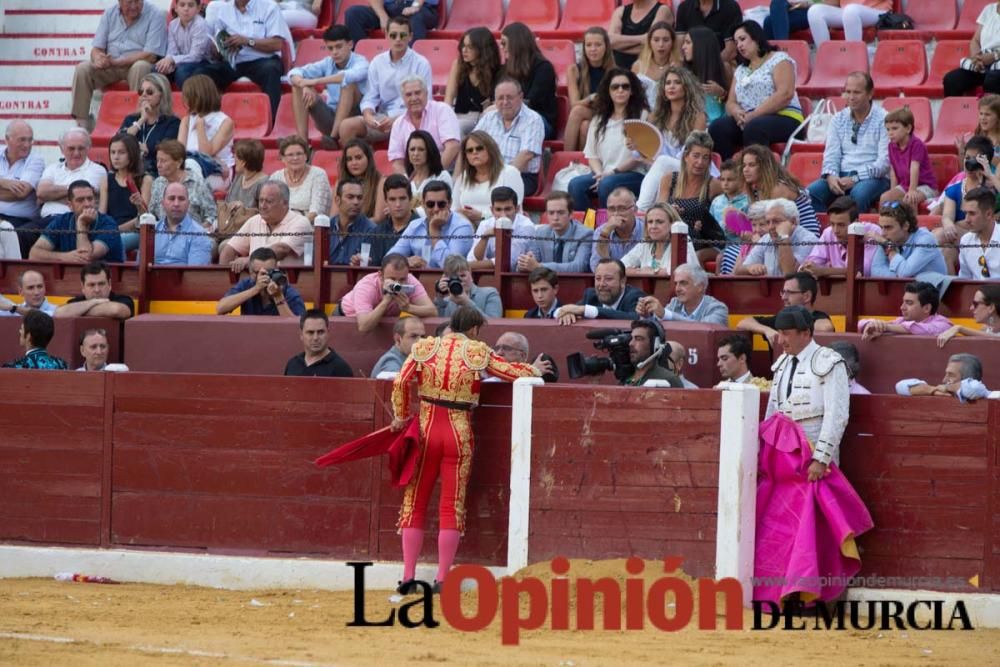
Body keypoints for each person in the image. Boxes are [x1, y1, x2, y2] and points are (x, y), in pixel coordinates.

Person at [389, 306, 540, 594]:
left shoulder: (425, 347)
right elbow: (512, 372)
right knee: (451, 505)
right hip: (458, 432)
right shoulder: (476, 353)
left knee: (415, 502)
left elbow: (400, 381)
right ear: (473, 330)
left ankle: (408, 578)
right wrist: (533, 369)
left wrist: (400, 415)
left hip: (426, 428)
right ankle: (442, 579)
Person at [766, 305, 850, 472]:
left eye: (786, 333)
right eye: (779, 332)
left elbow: (837, 415)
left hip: (813, 451)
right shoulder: (783, 362)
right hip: (783, 453)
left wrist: (821, 458)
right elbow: (772, 412)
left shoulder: (829, 361)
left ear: (805, 333)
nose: (780, 340)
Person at [708, 21, 803, 160]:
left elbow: (785, 94)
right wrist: (737, 113)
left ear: (756, 37)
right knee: (718, 127)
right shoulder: (741, 70)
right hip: (749, 120)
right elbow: (730, 103)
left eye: (742, 39)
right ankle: (728, 174)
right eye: (736, 42)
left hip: (785, 117)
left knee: (755, 127)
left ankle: (760, 177)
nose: (739, 45)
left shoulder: (779, 59)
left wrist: (754, 115)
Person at [72, 0, 167, 130]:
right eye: (129, 2)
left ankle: (137, 119)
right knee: (82, 69)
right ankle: (81, 125)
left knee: (142, 66)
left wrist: (117, 62)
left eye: (137, 2)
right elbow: (96, 48)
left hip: (135, 64)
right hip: (110, 65)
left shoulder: (155, 14)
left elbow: (151, 54)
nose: (133, 6)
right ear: (120, 2)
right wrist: (98, 58)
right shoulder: (109, 13)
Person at [340, 17, 432, 145]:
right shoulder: (377, 62)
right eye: (393, 35)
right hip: (382, 118)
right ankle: (365, 163)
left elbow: (426, 103)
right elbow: (370, 97)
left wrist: (396, 119)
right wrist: (368, 116)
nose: (398, 39)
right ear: (386, 36)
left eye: (403, 35)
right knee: (346, 126)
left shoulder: (421, 63)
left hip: (411, 118)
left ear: (410, 36)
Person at [197, 0, 293, 121]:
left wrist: (247, 41)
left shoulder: (269, 7)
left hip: (262, 60)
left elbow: (277, 44)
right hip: (234, 61)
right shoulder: (223, 11)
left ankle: (273, 122)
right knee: (201, 75)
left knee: (271, 69)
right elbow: (218, 42)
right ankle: (207, 122)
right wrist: (218, 49)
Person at [807, 72, 889, 214]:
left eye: (857, 92)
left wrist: (855, 178)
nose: (851, 97)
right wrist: (831, 176)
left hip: (874, 177)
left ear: (870, 94)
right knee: (810, 194)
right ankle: (825, 233)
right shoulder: (838, 119)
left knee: (859, 195)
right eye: (848, 92)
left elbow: (884, 163)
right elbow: (831, 154)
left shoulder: (884, 118)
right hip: (841, 175)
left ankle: (853, 235)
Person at [568, 68, 648, 212]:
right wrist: (600, 174)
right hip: (604, 174)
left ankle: (606, 227)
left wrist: (611, 173)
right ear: (608, 91)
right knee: (575, 185)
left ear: (632, 91)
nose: (620, 90)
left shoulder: (642, 115)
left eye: (625, 86)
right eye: (615, 87)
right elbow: (592, 155)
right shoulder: (599, 118)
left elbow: (639, 157)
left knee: (607, 184)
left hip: (635, 174)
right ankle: (588, 226)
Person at [636, 66, 710, 212]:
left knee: (663, 161)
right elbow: (647, 148)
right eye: (668, 83)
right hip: (661, 169)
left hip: (692, 166)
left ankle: (641, 210)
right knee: (661, 165)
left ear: (686, 87)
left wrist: (656, 161)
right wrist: (636, 145)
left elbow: (693, 152)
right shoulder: (655, 116)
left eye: (677, 82)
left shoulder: (698, 116)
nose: (671, 86)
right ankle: (651, 214)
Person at [288, 25, 368, 151]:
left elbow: (348, 76)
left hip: (354, 119)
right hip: (330, 117)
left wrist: (314, 81)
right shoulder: (327, 62)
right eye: (330, 48)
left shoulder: (361, 61)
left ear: (350, 45)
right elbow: (294, 72)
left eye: (339, 46)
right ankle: (302, 145)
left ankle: (334, 137)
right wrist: (304, 84)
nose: (335, 52)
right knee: (297, 87)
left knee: (348, 83)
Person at [653, 131, 725, 264]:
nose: (700, 162)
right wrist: (670, 211)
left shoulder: (713, 184)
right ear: (686, 156)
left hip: (700, 241)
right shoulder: (669, 179)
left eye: (705, 158)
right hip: (670, 238)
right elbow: (658, 212)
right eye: (696, 156)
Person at [933, 137, 999, 272]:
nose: (970, 163)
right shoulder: (954, 189)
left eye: (975, 159)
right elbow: (947, 216)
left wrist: (989, 175)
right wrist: (950, 225)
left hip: (989, 239)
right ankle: (950, 291)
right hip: (959, 238)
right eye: (967, 157)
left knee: (938, 235)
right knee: (946, 251)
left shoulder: (993, 188)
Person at [473, 78, 545, 196]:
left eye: (509, 97)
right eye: (500, 98)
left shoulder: (533, 119)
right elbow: (471, 144)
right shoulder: (488, 118)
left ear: (521, 97)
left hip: (521, 176)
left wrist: (499, 179)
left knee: (494, 193)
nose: (505, 102)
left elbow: (526, 155)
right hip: (487, 173)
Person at [220, 181, 312, 272]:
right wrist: (225, 280)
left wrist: (249, 260)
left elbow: (281, 249)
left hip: (287, 282)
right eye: (261, 200)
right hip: (254, 283)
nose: (263, 206)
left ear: (285, 203)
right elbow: (228, 250)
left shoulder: (300, 222)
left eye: (269, 201)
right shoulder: (255, 220)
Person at [337, 252, 436, 333]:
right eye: (392, 279)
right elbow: (364, 326)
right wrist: (386, 301)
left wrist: (408, 308)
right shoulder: (367, 286)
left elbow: (432, 311)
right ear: (380, 275)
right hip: (345, 316)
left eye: (402, 280)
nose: (397, 284)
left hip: (378, 321)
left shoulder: (410, 280)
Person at [30, 180, 125, 264]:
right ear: (70, 205)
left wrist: (82, 225)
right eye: (80, 200)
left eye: (90, 199)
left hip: (107, 279)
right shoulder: (61, 221)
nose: (87, 204)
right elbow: (34, 254)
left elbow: (85, 257)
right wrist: (64, 257)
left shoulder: (108, 223)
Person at [386, 180, 474, 269]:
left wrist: (434, 232)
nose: (436, 209)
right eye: (430, 204)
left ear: (450, 203)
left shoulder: (462, 227)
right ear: (423, 204)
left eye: (441, 204)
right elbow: (388, 259)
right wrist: (405, 261)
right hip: (418, 280)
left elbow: (452, 267)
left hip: (449, 280)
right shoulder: (415, 225)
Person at [737, 271, 835, 346]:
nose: (784, 297)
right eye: (783, 292)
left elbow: (825, 328)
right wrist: (767, 330)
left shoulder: (818, 316)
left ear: (807, 297)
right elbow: (743, 323)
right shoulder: (780, 318)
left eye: (789, 293)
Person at [739, 145, 820, 235]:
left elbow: (776, 223)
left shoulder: (778, 188)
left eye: (751, 165)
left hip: (803, 235)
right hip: (776, 234)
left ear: (764, 167)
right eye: (744, 165)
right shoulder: (756, 189)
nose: (745, 170)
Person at [387, 76, 460, 173]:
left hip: (446, 172)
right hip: (413, 178)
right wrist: (407, 183)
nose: (414, 98)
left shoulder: (442, 110)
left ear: (426, 93)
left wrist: (432, 176)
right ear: (403, 99)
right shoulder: (398, 124)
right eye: (408, 95)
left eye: (418, 93)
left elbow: (453, 147)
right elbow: (397, 162)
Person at [451, 132, 524, 226]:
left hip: (501, 228)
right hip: (467, 228)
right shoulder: (463, 177)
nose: (474, 152)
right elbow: (453, 209)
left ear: (490, 150)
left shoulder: (510, 173)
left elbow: (514, 212)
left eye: (479, 148)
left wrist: (482, 216)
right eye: (469, 150)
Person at [499, 23, 558, 139]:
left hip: (539, 120)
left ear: (516, 43)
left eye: (504, 43)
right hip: (510, 116)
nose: (501, 47)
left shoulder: (543, 68)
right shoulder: (507, 68)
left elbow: (530, 102)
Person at [799, 195, 881, 278]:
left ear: (855, 223)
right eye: (832, 224)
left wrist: (824, 271)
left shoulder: (872, 231)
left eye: (841, 225)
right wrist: (808, 268)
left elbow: (863, 270)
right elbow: (813, 261)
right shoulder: (828, 232)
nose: (835, 230)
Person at [178, 75, 235, 191]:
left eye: (187, 96)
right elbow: (179, 153)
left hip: (217, 173)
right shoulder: (186, 120)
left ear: (197, 97)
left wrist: (200, 127)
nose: (184, 100)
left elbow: (206, 154)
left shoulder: (225, 122)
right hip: (189, 169)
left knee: (189, 179)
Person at [36, 129, 106, 223]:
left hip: (74, 222)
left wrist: (50, 196)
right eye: (71, 148)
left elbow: (84, 198)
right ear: (62, 149)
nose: (76, 153)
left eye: (81, 148)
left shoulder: (97, 170)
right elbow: (41, 192)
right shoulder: (52, 168)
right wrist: (74, 193)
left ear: (88, 148)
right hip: (45, 219)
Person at [119, 72, 181, 177]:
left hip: (157, 173)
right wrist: (142, 119)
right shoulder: (131, 119)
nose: (144, 95)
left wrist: (147, 150)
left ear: (162, 94)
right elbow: (119, 141)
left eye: (150, 92)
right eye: (141, 91)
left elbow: (168, 151)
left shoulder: (172, 122)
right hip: (129, 171)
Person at [736, 198, 817, 277]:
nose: (770, 227)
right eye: (768, 222)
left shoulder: (808, 240)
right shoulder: (766, 238)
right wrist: (750, 268)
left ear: (793, 222)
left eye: (776, 221)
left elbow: (789, 274)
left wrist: (783, 237)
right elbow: (738, 271)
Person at [516, 191, 593, 274]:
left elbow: (578, 267)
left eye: (560, 213)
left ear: (571, 214)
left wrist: (539, 267)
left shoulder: (585, 234)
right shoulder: (540, 233)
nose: (555, 218)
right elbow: (530, 263)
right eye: (551, 213)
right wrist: (523, 265)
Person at [99, 133, 151, 254]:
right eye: (112, 152)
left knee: (112, 243)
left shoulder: (145, 179)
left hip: (136, 232)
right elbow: (102, 214)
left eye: (121, 152)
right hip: (111, 230)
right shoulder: (106, 179)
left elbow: (144, 217)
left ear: (132, 154)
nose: (116, 157)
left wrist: (116, 230)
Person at [445, 27, 502, 137]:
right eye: (463, 46)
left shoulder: (497, 70)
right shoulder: (458, 65)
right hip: (461, 115)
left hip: (486, 116)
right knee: (455, 127)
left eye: (470, 47)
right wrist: (446, 118)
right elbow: (449, 96)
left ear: (482, 49)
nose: (464, 51)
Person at [148, 139, 217, 230]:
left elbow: (212, 216)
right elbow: (151, 216)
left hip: (192, 237)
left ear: (179, 162)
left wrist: (197, 232)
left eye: (163, 161)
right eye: (158, 160)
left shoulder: (198, 183)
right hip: (164, 237)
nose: (158, 165)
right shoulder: (157, 183)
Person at [565, 27, 615, 152]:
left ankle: (567, 158)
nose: (593, 49)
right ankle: (578, 162)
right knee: (584, 126)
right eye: (589, 45)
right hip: (587, 115)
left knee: (578, 112)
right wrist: (591, 98)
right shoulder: (574, 70)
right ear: (584, 48)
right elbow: (574, 103)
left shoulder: (615, 71)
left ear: (606, 47)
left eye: (598, 45)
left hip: (608, 115)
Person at [217, 247, 305, 317]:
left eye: (268, 272)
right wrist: (255, 289)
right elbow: (221, 308)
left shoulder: (287, 290)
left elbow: (296, 327)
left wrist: (278, 297)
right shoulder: (246, 284)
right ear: (250, 272)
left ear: (276, 270)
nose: (263, 276)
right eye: (257, 272)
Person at [879, 106, 937, 212]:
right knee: (885, 198)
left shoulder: (917, 144)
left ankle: (912, 228)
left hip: (925, 186)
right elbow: (893, 172)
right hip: (904, 185)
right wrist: (893, 191)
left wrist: (912, 190)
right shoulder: (891, 146)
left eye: (895, 128)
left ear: (908, 128)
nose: (890, 133)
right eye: (888, 129)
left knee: (910, 199)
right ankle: (886, 225)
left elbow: (914, 168)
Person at [556, 258, 646, 324]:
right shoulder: (591, 295)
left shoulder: (634, 296)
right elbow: (559, 311)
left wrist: (587, 310)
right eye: (598, 279)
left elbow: (634, 318)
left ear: (622, 281)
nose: (602, 284)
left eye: (608, 279)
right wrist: (566, 314)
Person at [870, 201, 948, 277]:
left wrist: (890, 249)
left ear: (905, 226)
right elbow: (876, 270)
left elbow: (904, 272)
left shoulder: (926, 239)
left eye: (888, 227)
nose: (883, 233)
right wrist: (897, 276)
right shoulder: (887, 239)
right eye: (881, 227)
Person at [466, 186, 535, 271]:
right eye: (498, 209)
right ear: (492, 210)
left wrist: (466, 266)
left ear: (517, 209)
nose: (503, 215)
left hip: (518, 278)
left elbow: (508, 263)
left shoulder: (526, 226)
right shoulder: (485, 224)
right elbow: (473, 259)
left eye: (508, 209)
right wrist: (484, 238)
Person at [637, 262, 730, 325]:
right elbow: (656, 330)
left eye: (683, 283)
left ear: (700, 287)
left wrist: (666, 315)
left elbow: (703, 329)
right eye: (676, 283)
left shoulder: (717, 309)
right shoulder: (674, 303)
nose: (677, 289)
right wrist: (646, 316)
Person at [620, 203, 698, 275]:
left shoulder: (682, 239)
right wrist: (638, 272)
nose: (653, 226)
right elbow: (620, 266)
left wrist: (653, 271)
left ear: (672, 224)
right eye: (650, 222)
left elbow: (681, 271)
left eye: (659, 222)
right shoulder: (645, 243)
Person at [858, 281, 954, 340]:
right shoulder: (901, 321)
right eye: (903, 302)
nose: (902, 307)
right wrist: (873, 325)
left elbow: (921, 329)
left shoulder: (944, 325)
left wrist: (886, 327)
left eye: (909, 303)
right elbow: (861, 323)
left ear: (927, 308)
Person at [0, 121, 45, 246]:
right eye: (22, 140)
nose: (27, 145)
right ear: (7, 139)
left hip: (19, 219)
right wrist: (3, 182)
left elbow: (21, 193)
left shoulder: (35, 160)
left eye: (30, 140)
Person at [268, 135, 331, 224]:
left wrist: (293, 227)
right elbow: (270, 208)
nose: (295, 158)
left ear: (306, 156)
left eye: (299, 154)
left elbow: (316, 212)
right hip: (280, 226)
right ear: (283, 158)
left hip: (308, 228)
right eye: (290, 155)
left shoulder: (318, 175)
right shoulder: (276, 177)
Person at [943, 1, 1000, 97]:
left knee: (992, 80)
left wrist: (994, 56)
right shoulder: (989, 9)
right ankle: (956, 112)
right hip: (983, 63)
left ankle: (989, 112)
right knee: (951, 80)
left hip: (997, 63)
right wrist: (976, 58)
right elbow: (975, 40)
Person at [156, 0, 213, 88]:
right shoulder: (173, 25)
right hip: (181, 61)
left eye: (190, 5)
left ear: (198, 8)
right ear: (176, 8)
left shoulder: (201, 25)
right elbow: (172, 51)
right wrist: (167, 61)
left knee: (182, 72)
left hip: (203, 62)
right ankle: (164, 99)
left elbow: (196, 56)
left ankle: (187, 99)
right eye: (182, 5)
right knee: (157, 69)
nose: (186, 9)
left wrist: (172, 60)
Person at [154, 181, 214, 265]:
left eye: (181, 199)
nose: (176, 204)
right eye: (171, 198)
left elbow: (195, 275)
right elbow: (139, 268)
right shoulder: (151, 231)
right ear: (163, 203)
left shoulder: (199, 235)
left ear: (188, 204)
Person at [680, 27, 730, 125]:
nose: (683, 47)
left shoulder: (724, 68)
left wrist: (721, 93)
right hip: (693, 125)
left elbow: (734, 102)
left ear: (701, 45)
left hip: (719, 125)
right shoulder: (683, 72)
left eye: (688, 42)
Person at [589, 187, 646, 272]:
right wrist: (606, 232)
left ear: (635, 210)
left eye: (622, 208)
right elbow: (596, 267)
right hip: (611, 283)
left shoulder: (647, 230)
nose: (616, 214)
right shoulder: (601, 231)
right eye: (611, 209)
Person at [284, 309, 353, 377]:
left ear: (328, 333)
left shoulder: (341, 369)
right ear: (301, 335)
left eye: (320, 332)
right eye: (310, 332)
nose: (315, 338)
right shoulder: (293, 364)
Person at [56, 261, 134, 320]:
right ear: (83, 287)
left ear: (109, 284)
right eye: (91, 285)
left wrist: (77, 312)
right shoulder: (76, 301)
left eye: (101, 284)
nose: (97, 290)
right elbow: (59, 313)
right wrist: (93, 302)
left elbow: (116, 310)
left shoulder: (124, 300)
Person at [896, 353, 990, 402]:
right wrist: (932, 390)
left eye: (951, 375)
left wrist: (947, 387)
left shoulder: (979, 389)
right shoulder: (941, 392)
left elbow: (974, 389)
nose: (944, 380)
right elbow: (900, 386)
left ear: (968, 378)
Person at [610, 0, 675, 70]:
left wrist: (619, 45)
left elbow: (655, 46)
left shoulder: (662, 10)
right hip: (620, 72)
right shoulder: (620, 11)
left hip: (648, 72)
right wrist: (642, 39)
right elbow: (610, 40)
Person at [433, 254, 502, 319]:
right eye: (454, 278)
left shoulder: (489, 294)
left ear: (470, 274)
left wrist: (467, 303)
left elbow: (494, 324)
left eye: (463, 276)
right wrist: (440, 296)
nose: (460, 281)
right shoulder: (446, 301)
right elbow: (437, 326)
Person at [370, 174, 419, 266]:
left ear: (410, 199)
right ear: (386, 201)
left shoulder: (423, 229)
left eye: (402, 198)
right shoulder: (377, 232)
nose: (398, 204)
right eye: (392, 199)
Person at [331, 139, 385, 221]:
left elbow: (378, 218)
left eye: (358, 158)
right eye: (349, 159)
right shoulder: (340, 183)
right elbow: (334, 217)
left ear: (368, 158)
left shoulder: (381, 181)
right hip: (344, 231)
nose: (354, 163)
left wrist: (355, 227)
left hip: (371, 231)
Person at [675, 0, 742, 63]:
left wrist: (708, 67)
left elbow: (731, 50)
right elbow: (679, 47)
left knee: (726, 67)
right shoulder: (684, 8)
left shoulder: (730, 7)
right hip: (690, 65)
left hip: (721, 63)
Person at [622, 318, 683, 387]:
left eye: (638, 339)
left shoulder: (668, 380)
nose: (631, 344)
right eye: (631, 339)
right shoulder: (625, 379)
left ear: (655, 345)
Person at [328, 178, 376, 265]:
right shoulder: (326, 227)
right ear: (337, 200)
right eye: (350, 197)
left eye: (359, 198)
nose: (356, 202)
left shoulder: (371, 230)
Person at [632, 22, 681, 108]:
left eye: (666, 40)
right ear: (649, 42)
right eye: (656, 40)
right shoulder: (638, 66)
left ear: (672, 42)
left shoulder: (679, 65)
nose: (661, 45)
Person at [346, 0, 440, 44]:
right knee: (353, 13)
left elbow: (418, 4)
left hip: (421, 8)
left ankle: (410, 63)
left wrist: (415, 6)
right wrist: (383, 16)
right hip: (389, 8)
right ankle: (362, 59)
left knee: (416, 18)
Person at [958, 186, 1000, 280]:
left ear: (988, 214)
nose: (966, 220)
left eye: (972, 214)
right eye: (966, 213)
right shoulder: (966, 241)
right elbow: (965, 280)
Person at [2, 310, 67, 370]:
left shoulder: (16, 367)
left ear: (29, 336)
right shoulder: (62, 365)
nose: (20, 331)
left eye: (22, 329)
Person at [807, 0, 891, 46]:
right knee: (815, 11)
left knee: (851, 11)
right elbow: (832, 3)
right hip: (846, 12)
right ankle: (826, 59)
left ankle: (854, 62)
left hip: (878, 12)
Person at [404, 130, 452, 203]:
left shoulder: (441, 176)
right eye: (412, 149)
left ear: (430, 151)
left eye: (421, 149)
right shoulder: (405, 178)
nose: (416, 153)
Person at [224, 138, 268, 210]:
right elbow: (227, 202)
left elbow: (265, 211)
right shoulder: (239, 177)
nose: (234, 161)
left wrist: (244, 208)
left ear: (243, 162)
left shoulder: (264, 183)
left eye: (235, 158)